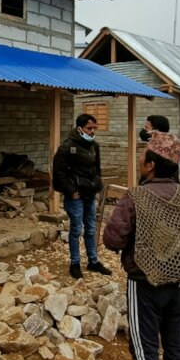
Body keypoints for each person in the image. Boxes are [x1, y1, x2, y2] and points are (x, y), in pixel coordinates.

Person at [103, 131, 180, 360]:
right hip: (179, 284)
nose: (139, 159)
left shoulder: (137, 196)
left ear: (150, 165)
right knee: (175, 340)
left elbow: (113, 239)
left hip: (145, 284)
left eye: (142, 155)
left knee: (145, 345)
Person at [53, 113, 113, 279]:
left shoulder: (94, 146)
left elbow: (97, 170)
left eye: (94, 128)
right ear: (79, 129)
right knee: (76, 230)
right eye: (89, 128)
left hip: (90, 194)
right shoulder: (67, 147)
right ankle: (75, 263)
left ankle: (93, 261)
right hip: (76, 197)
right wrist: (71, 191)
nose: (92, 131)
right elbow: (58, 173)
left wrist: (97, 185)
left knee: (91, 229)